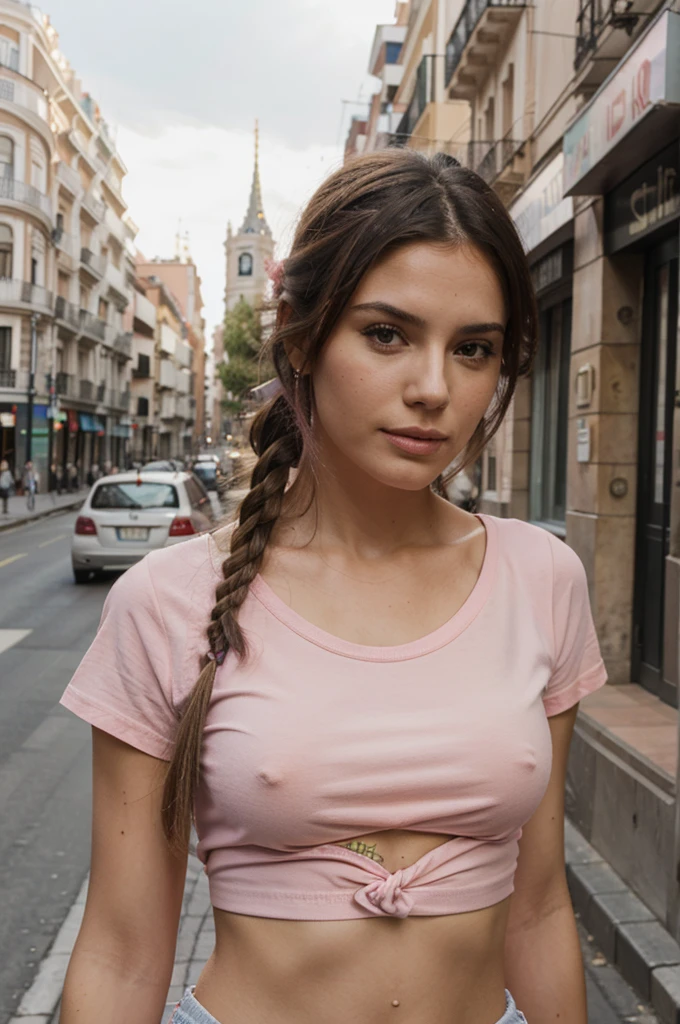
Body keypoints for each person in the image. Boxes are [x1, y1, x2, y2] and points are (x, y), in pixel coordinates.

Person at [58, 150, 607, 1024]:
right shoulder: (168, 601)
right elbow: (123, 952)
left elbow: (538, 907)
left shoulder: (542, 578)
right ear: (302, 334)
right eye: (387, 334)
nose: (434, 389)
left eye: (473, 349)